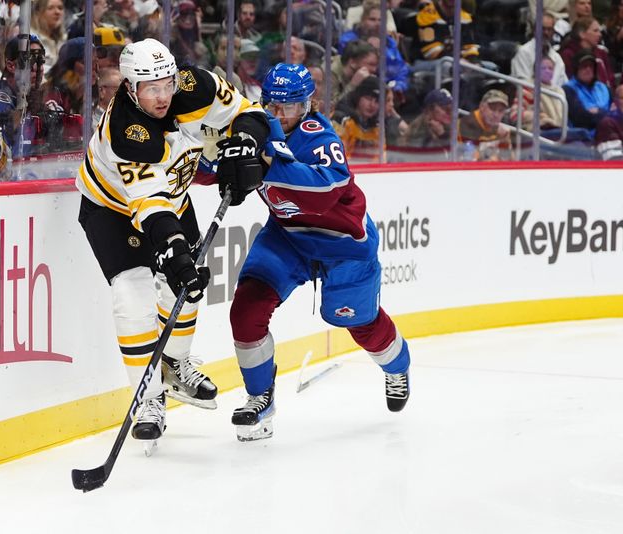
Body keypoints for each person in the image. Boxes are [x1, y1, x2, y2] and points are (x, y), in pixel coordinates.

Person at [76, 38, 268, 443]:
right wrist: (174, 253)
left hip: (173, 201)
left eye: (166, 84)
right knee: (133, 293)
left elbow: (248, 113)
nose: (163, 96)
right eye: (151, 88)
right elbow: (149, 205)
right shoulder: (128, 133)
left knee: (188, 290)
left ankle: (174, 365)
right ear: (130, 88)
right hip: (113, 210)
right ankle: (148, 396)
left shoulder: (194, 86)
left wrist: (246, 146)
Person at [227, 63, 411, 442]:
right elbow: (218, 165)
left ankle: (397, 366)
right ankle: (260, 398)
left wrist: (266, 163)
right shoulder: (258, 127)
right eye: (272, 105)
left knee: (360, 323)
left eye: (288, 107)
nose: (278, 115)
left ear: (307, 105)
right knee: (247, 307)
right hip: (288, 237)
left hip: (343, 246)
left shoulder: (320, 137)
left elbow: (326, 190)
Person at [457, 89, 513, 161]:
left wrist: (505, 141)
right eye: (492, 108)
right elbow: (471, 162)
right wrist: (495, 159)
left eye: (501, 110)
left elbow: (509, 160)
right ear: (481, 107)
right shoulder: (468, 124)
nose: (496, 115)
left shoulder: (500, 129)